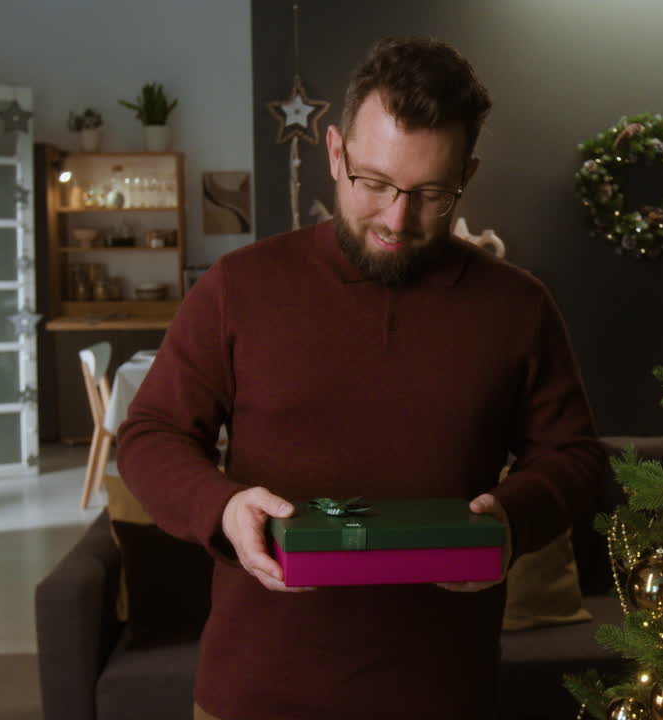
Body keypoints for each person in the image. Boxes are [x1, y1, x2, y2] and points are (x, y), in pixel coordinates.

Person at [117, 36, 605, 720]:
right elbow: (148, 435)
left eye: (432, 193)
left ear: (469, 172)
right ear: (335, 152)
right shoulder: (240, 287)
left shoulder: (518, 306)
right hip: (254, 695)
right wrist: (221, 508)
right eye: (373, 183)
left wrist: (513, 519)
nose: (396, 219)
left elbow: (576, 456)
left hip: (441, 693)